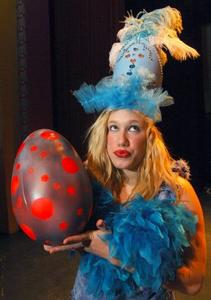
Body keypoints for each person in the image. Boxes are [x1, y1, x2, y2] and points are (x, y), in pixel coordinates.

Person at [44, 6, 206, 300]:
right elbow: (59, 224)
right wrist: (56, 233)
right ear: (102, 134)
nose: (121, 139)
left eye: (133, 128)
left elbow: (193, 284)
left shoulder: (176, 193)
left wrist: (111, 250)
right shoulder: (88, 183)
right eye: (113, 128)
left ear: (149, 135)